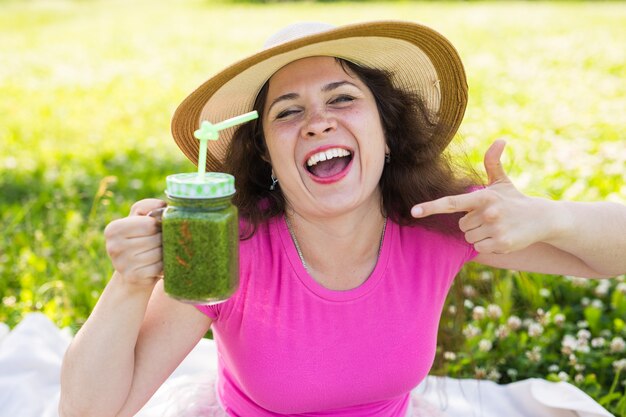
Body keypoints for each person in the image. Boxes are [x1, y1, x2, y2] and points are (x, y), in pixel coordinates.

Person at [59, 21, 626, 417]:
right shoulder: (224, 244)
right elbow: (89, 412)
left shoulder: (436, 220)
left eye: (342, 99)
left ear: (387, 128)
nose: (317, 123)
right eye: (288, 112)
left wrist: (551, 218)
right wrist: (130, 283)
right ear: (265, 155)